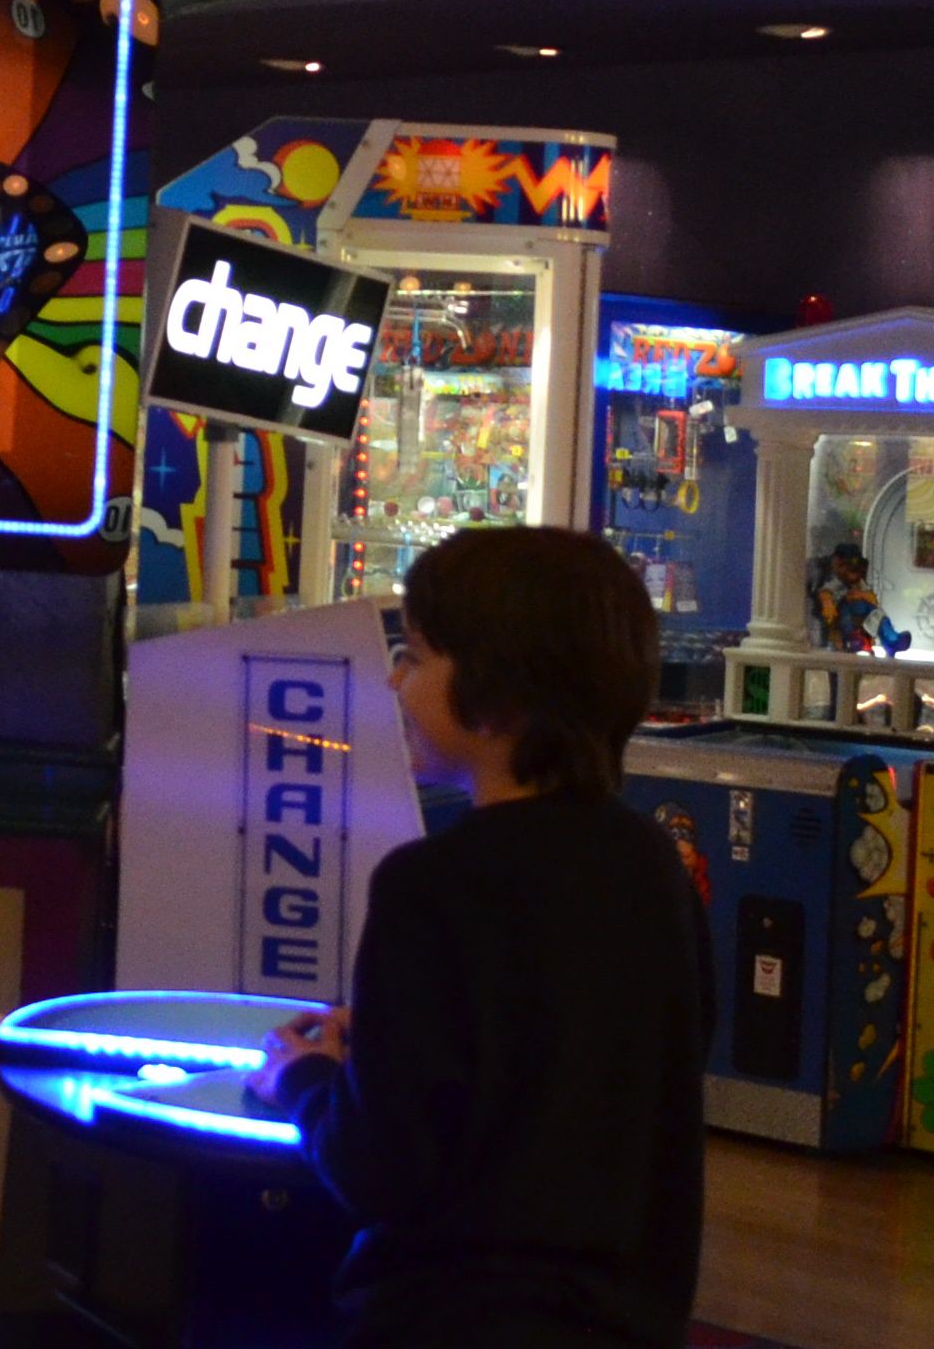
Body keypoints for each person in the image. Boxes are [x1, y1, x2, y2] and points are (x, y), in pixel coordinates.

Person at [251, 527, 711, 1349]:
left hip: (446, 1316)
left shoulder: (430, 883)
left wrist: (306, 1080)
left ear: (500, 692)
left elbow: (377, 1167)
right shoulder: (654, 865)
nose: (394, 678)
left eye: (416, 655)